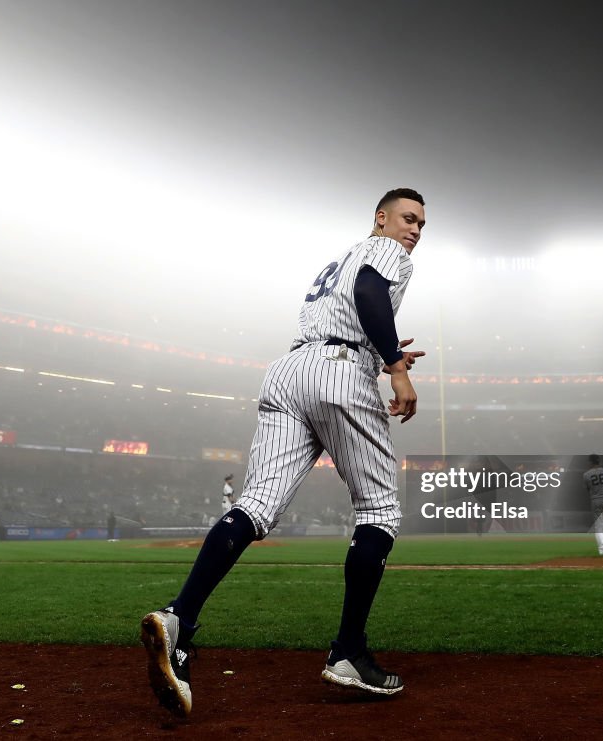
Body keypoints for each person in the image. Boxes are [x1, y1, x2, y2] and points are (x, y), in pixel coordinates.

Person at [140, 188, 427, 717]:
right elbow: (368, 295)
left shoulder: (340, 258)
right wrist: (396, 365)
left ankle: (180, 616)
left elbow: (351, 307)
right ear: (380, 218)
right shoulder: (384, 251)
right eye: (407, 219)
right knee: (380, 512)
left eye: (420, 225)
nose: (414, 231)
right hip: (339, 375)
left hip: (290, 371)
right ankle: (348, 654)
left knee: (254, 507)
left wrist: (378, 348)